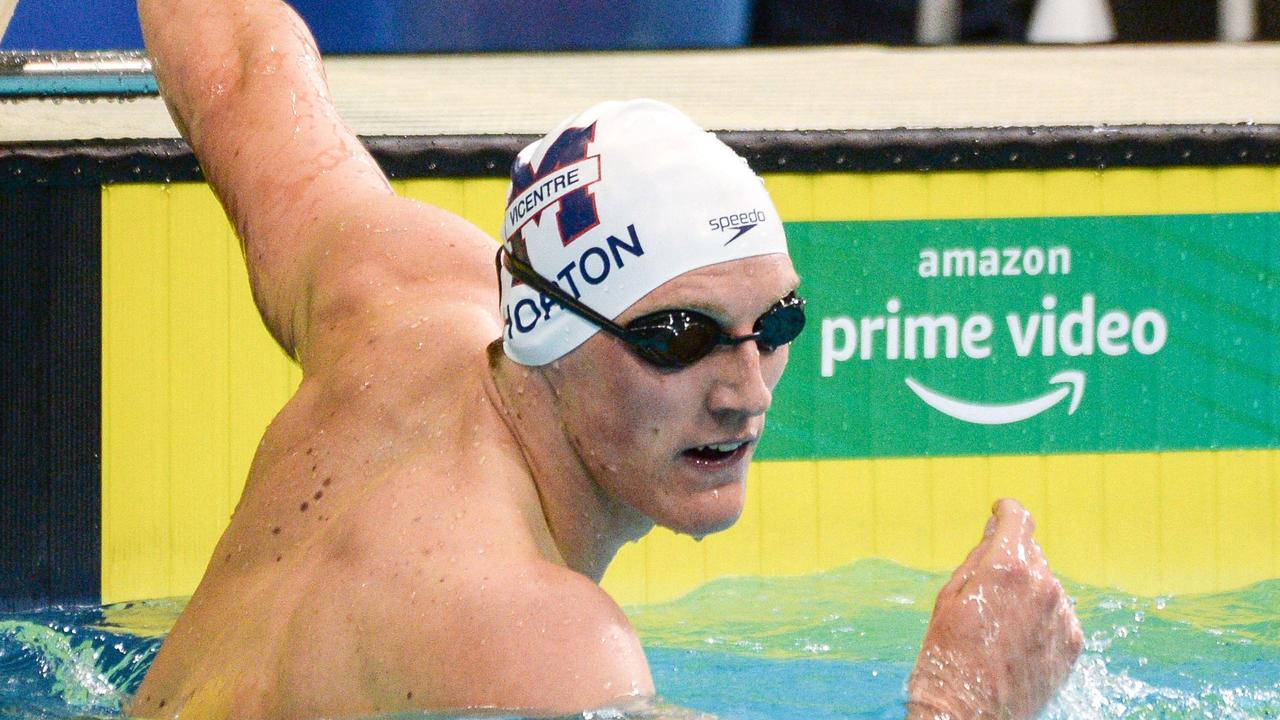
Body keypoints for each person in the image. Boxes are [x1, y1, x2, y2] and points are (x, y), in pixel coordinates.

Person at [131, 1, 1083, 718]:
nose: (745, 393)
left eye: (776, 324)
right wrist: (965, 699)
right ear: (548, 331)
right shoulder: (547, 643)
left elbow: (251, 74)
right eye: (680, 339)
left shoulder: (395, 301)